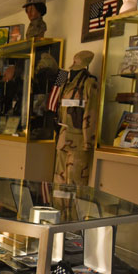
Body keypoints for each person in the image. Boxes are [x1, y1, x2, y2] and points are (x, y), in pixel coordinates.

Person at [53, 51, 99, 185]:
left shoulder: (89, 83)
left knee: (75, 181)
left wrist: (87, 142)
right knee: (59, 180)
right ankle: (58, 206)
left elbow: (91, 113)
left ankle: (73, 207)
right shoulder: (65, 83)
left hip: (79, 140)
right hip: (63, 137)